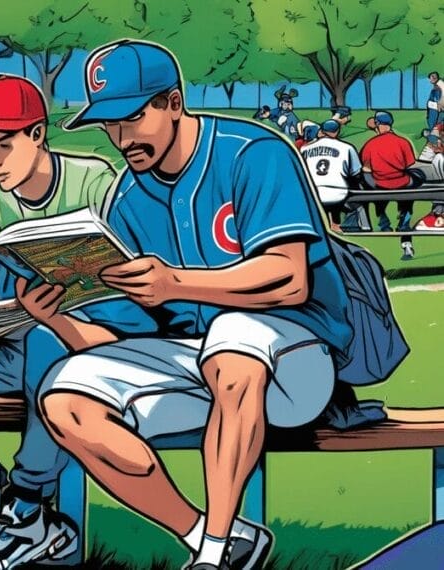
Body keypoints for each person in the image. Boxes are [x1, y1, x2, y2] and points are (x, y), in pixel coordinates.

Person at [28, 40, 352, 570]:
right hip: (195, 362)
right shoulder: (128, 199)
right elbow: (125, 337)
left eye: (133, 117)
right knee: (65, 396)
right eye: (109, 124)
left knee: (234, 337)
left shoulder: (252, 152)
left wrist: (176, 282)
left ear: (174, 102)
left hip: (298, 358)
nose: (121, 137)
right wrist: (57, 314)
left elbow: (289, 279)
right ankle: (207, 536)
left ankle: (214, 555)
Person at [0, 74, 116, 569]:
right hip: (5, 345)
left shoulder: (96, 180)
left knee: (49, 342)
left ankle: (24, 502)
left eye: (4, 144)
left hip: (87, 345)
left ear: (38, 134)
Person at [359, 111, 425, 260]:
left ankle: (383, 221)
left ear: (378, 124)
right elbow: (409, 164)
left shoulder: (370, 144)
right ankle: (404, 221)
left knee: (373, 186)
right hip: (402, 183)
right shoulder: (402, 142)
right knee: (414, 183)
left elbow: (366, 167)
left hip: (380, 184)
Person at [301, 119, 363, 230]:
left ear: (321, 131)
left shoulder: (305, 149)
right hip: (338, 193)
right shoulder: (347, 147)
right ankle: (349, 229)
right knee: (357, 204)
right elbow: (356, 174)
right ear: (337, 131)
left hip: (312, 193)